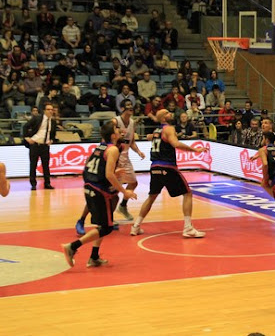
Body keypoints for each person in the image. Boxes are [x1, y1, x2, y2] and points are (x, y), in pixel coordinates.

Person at [61, 121, 137, 268]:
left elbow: (89, 168)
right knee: (106, 228)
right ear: (113, 135)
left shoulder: (100, 147)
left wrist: (111, 174)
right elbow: (109, 175)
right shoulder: (113, 149)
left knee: (102, 225)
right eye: (116, 129)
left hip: (90, 186)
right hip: (99, 190)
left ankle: (94, 257)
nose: (120, 130)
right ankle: (72, 247)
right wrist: (125, 191)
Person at [130, 109, 207, 237]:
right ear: (163, 118)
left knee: (151, 197)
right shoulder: (169, 129)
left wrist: (151, 136)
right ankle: (188, 228)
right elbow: (175, 144)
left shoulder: (157, 131)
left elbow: (150, 137)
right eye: (167, 113)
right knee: (187, 193)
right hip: (167, 166)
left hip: (155, 167)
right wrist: (195, 150)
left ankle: (136, 226)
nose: (170, 113)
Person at [23, 103, 56, 190]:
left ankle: (47, 183)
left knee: (46, 166)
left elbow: (53, 134)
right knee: (33, 165)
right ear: (44, 111)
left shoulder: (53, 122)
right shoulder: (37, 118)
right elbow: (25, 126)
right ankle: (33, 184)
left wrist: (51, 140)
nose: (50, 111)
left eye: (52, 109)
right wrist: (27, 138)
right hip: (35, 145)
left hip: (45, 146)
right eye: (48, 109)